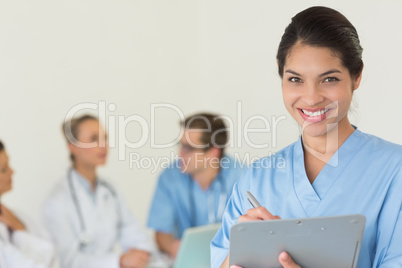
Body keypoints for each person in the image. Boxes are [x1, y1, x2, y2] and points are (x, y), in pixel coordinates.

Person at [211, 6, 402, 268]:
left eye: (329, 79)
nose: (311, 98)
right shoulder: (256, 178)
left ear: (356, 76)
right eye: (295, 79)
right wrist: (236, 257)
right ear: (281, 75)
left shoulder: (395, 171)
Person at [42, 115, 153, 268]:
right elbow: (68, 260)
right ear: (72, 146)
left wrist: (142, 252)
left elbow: (132, 230)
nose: (103, 145)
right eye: (94, 139)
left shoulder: (111, 190)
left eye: (105, 138)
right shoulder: (57, 200)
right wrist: (119, 260)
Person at [147, 113, 245, 259]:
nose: (180, 153)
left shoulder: (242, 177)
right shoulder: (169, 177)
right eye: (180, 145)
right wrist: (174, 248)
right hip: (188, 260)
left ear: (213, 152)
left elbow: (251, 231)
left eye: (188, 148)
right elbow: (161, 233)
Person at [0, 140, 58, 268]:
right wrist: (19, 231)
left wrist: (19, 228)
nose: (12, 171)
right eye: (4, 169)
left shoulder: (17, 217)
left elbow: (51, 257)